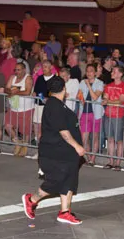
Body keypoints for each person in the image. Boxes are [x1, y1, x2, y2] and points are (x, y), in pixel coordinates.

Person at [22, 76, 85, 226]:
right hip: (55, 151)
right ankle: (31, 199)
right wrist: (77, 146)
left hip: (65, 152)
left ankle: (65, 212)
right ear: (64, 88)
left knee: (69, 180)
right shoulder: (54, 106)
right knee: (56, 181)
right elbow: (63, 131)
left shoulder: (57, 104)